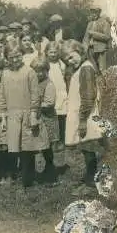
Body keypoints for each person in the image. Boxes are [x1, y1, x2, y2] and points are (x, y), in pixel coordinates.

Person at [63, 40, 106, 188]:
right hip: (83, 116)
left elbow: (88, 97)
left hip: (86, 116)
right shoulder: (81, 68)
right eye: (66, 59)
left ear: (79, 51)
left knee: (88, 148)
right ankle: (90, 177)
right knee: (86, 148)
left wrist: (82, 120)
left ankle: (90, 180)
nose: (69, 61)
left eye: (71, 56)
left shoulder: (86, 69)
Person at [1, 46, 42, 187]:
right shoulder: (4, 74)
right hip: (11, 115)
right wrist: (2, 115)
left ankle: (28, 178)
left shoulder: (29, 72)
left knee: (27, 147)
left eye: (17, 55)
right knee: (12, 148)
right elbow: (2, 96)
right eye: (11, 57)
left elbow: (35, 95)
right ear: (7, 58)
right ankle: (12, 174)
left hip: (27, 113)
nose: (15, 59)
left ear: (22, 55)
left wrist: (33, 114)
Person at [30, 57, 59, 184]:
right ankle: (38, 172)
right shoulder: (33, 83)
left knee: (47, 148)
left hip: (47, 119)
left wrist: (34, 105)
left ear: (46, 70)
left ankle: (50, 174)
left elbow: (49, 103)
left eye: (42, 71)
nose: (39, 74)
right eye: (36, 71)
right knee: (38, 146)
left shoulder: (49, 84)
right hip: (38, 118)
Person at [44, 41, 69, 173]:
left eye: (55, 52)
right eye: (51, 52)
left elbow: (64, 76)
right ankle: (55, 140)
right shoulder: (46, 64)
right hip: (51, 91)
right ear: (46, 53)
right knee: (53, 116)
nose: (53, 54)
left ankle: (62, 140)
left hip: (61, 92)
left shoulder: (61, 64)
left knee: (62, 117)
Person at [83, 7, 112, 72]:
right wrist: (84, 48)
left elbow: (107, 37)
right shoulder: (90, 23)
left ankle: (104, 81)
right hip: (90, 50)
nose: (94, 14)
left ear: (99, 13)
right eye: (92, 12)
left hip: (100, 49)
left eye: (95, 12)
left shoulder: (105, 23)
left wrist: (94, 34)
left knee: (102, 70)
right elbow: (85, 38)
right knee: (93, 69)